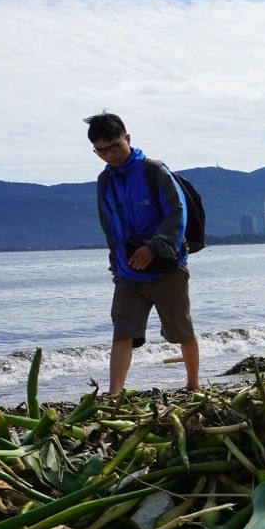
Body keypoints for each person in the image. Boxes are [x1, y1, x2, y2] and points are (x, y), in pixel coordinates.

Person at [86, 112, 200, 394]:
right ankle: (114, 394)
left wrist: (154, 247)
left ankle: (193, 385)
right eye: (100, 150)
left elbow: (177, 213)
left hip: (167, 269)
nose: (109, 155)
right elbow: (109, 225)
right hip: (128, 274)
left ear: (127, 138)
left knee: (181, 331)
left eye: (114, 146)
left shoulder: (154, 170)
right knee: (122, 331)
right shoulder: (105, 181)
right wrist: (116, 263)